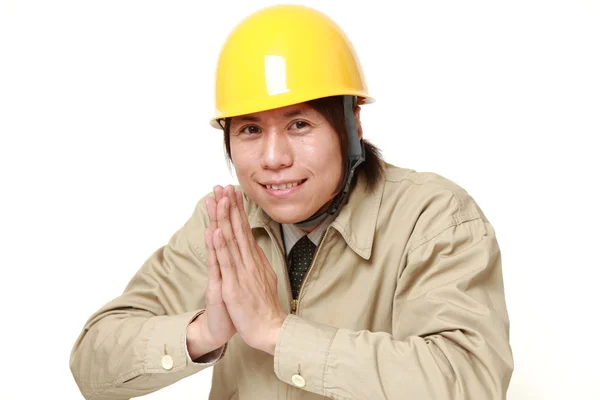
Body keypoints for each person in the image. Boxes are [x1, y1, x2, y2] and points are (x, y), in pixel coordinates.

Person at [69, 4, 513, 399]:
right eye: (250, 129)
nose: (273, 159)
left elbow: (470, 381)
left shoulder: (433, 218)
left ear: (351, 122)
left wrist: (277, 333)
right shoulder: (224, 222)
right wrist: (202, 332)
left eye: (299, 124)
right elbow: (92, 367)